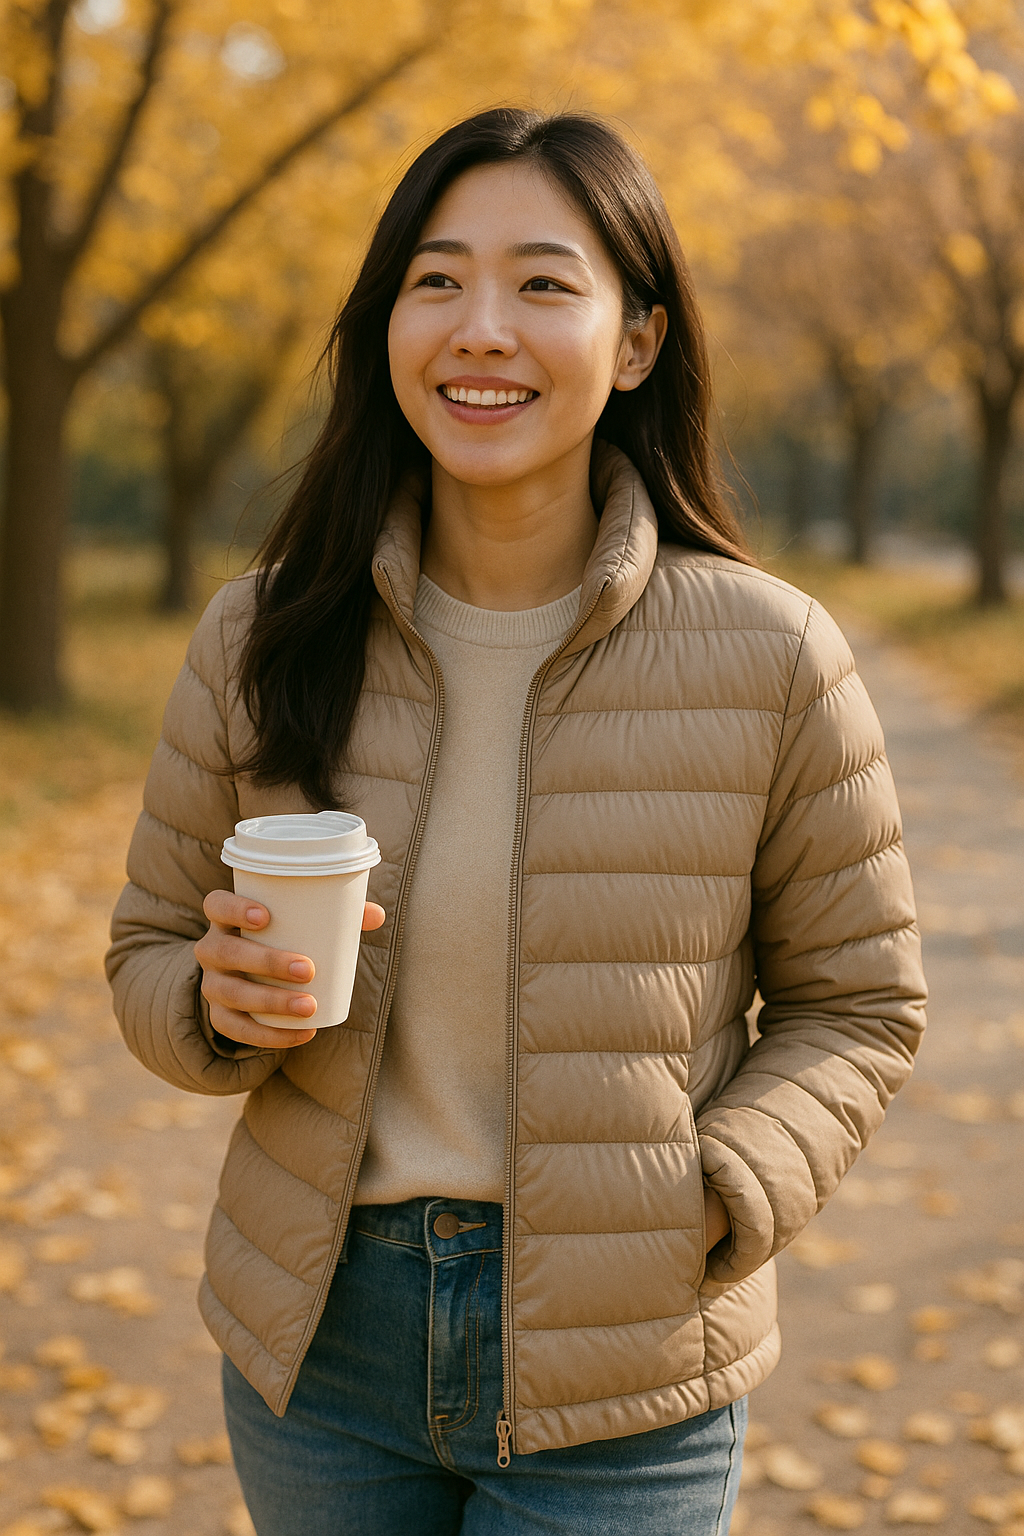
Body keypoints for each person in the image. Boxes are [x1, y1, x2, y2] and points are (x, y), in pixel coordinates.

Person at [107, 108, 927, 1536]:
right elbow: (145, 950)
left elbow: (859, 1003)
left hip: (628, 1360)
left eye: (544, 284)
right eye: (437, 281)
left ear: (636, 342)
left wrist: (724, 1188)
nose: (481, 328)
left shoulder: (774, 655)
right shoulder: (263, 632)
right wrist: (215, 1003)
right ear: (387, 328)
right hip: (320, 1342)